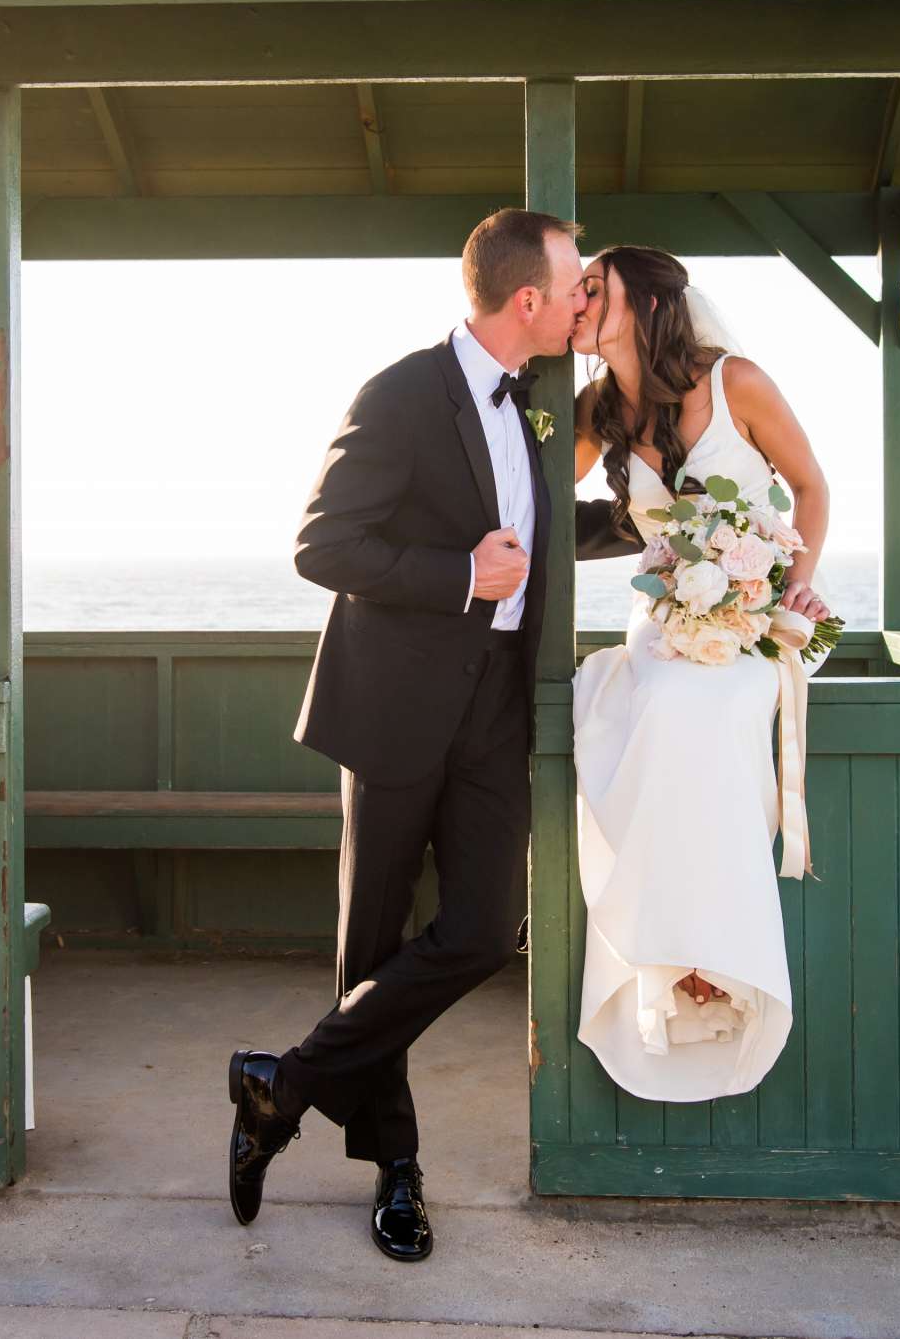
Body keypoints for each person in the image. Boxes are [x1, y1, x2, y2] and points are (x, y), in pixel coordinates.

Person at [226, 207, 641, 1262]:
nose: (585, 300)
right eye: (574, 285)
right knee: (372, 945)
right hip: (395, 705)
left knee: (484, 928)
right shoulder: (403, 393)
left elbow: (542, 526)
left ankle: (282, 1085)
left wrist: (655, 524)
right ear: (527, 301)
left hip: (497, 709)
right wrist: (460, 576)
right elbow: (323, 546)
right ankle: (397, 1172)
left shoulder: (545, 399)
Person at [566, 244, 835, 1102]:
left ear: (644, 302)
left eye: (593, 291)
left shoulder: (736, 383)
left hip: (748, 623)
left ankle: (713, 952)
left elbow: (810, 485)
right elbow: (529, 489)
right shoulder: (595, 409)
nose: (576, 304)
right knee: (654, 705)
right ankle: (668, 947)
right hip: (661, 624)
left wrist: (791, 584)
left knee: (707, 714)